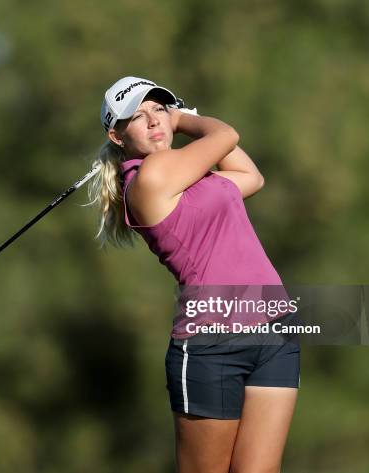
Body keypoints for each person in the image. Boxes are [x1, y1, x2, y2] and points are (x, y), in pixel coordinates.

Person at [89, 76, 301, 473]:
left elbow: (251, 177)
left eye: (158, 108)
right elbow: (227, 135)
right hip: (211, 345)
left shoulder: (193, 179)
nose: (154, 121)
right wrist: (184, 119)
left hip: (274, 328)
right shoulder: (149, 180)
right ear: (117, 137)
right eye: (138, 116)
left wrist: (177, 121)